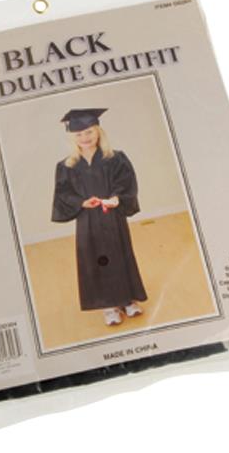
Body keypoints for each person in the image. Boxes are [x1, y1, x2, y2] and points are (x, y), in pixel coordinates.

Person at [51, 108, 148, 326]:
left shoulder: (115, 158)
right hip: (88, 221)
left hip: (112, 217)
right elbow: (63, 194)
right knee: (96, 260)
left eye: (89, 132)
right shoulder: (66, 166)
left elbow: (126, 183)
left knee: (120, 255)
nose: (85, 138)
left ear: (98, 132)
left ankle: (128, 300)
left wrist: (116, 198)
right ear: (72, 137)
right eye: (79, 134)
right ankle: (109, 306)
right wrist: (81, 202)